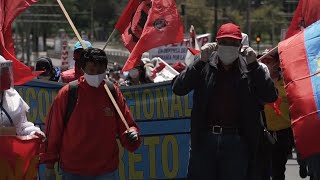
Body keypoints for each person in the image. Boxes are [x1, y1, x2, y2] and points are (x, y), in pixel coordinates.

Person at [171, 23, 278, 180]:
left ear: (241, 45)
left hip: (238, 142)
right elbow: (178, 88)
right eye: (224, 42)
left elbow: (270, 96)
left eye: (233, 43)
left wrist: (254, 65)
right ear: (216, 44)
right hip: (205, 140)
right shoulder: (204, 64)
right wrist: (200, 61)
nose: (228, 47)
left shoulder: (251, 68)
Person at [42, 48, 141, 180]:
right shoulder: (68, 93)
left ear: (106, 69)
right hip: (74, 170)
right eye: (92, 70)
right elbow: (53, 130)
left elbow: (127, 125)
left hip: (106, 169)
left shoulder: (112, 92)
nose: (96, 75)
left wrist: (132, 135)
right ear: (83, 69)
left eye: (100, 71)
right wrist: (49, 166)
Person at [257, 49, 294, 180]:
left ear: (277, 63)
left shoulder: (288, 83)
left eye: (269, 60)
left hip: (282, 134)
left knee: (278, 171)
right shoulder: (256, 82)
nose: (265, 63)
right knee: (262, 172)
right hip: (261, 134)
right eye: (263, 60)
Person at [0, 55, 45, 137]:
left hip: (9, 149)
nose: (7, 75)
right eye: (2, 72)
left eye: (7, 71)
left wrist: (33, 132)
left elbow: (22, 126)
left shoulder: (13, 97)